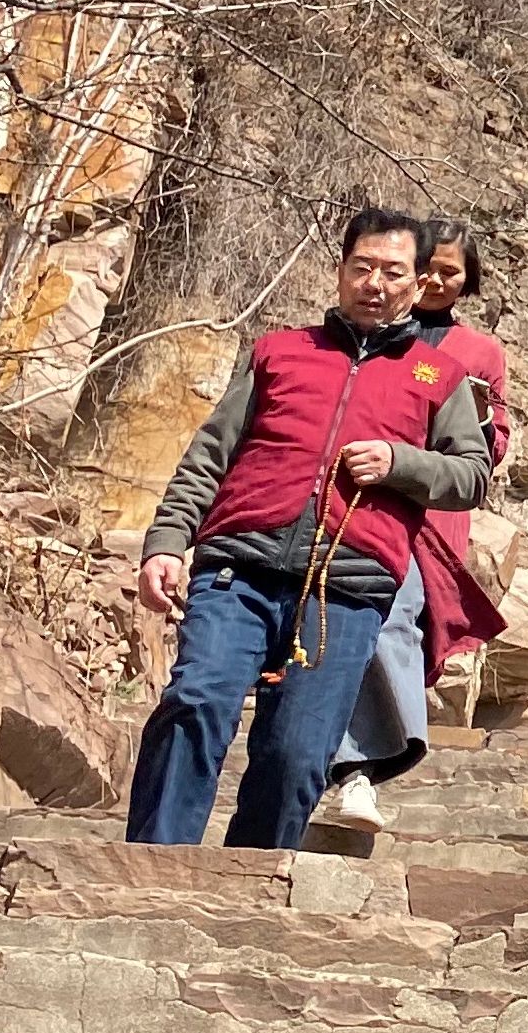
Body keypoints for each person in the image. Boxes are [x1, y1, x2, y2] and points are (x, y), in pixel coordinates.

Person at [125, 208, 493, 849]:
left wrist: (399, 462)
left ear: (417, 283)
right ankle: (154, 863)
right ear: (341, 271)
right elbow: (210, 454)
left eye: (392, 272)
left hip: (346, 588)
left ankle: (253, 882)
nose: (375, 283)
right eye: (363, 267)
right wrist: (166, 543)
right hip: (238, 567)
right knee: (195, 703)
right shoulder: (281, 352)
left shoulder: (442, 377)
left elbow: (472, 475)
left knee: (299, 752)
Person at [316, 216, 512, 835]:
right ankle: (327, 763)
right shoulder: (361, 335)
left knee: (391, 628)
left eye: (452, 272)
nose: (437, 280)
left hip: (424, 526)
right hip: (341, 513)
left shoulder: (475, 355)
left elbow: (492, 448)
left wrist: (477, 420)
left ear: (466, 283)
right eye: (430, 267)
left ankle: (359, 771)